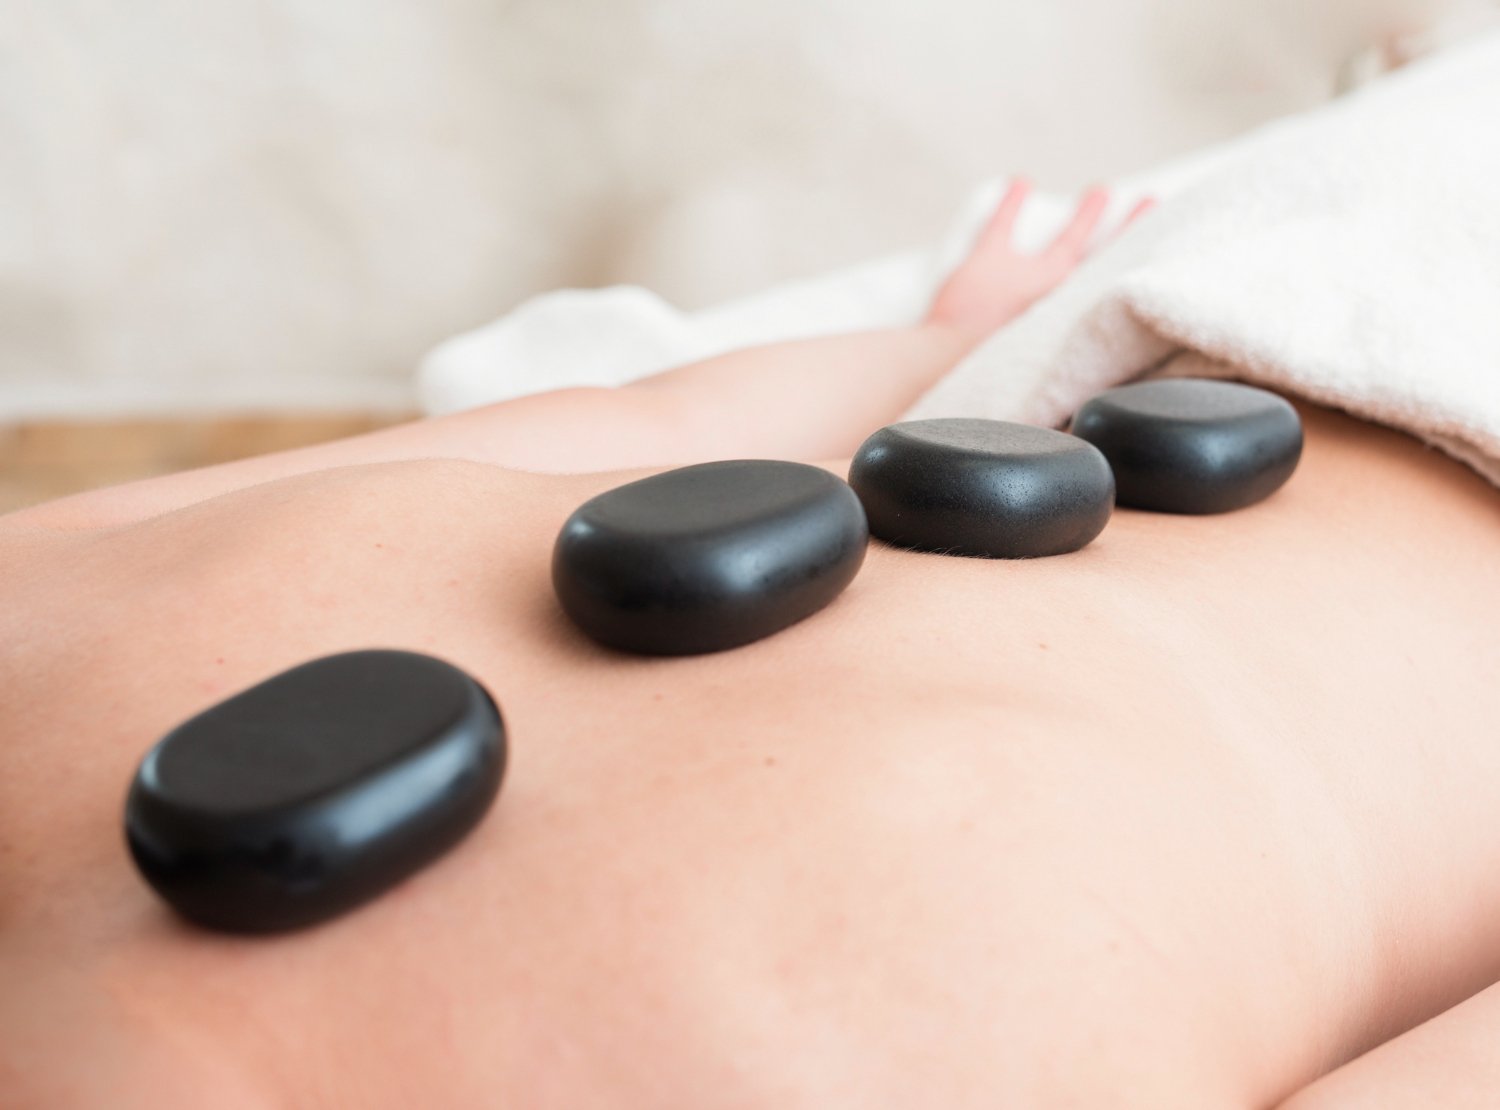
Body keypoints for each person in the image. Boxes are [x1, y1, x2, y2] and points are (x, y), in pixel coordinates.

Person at [1, 182, 1496, 1108]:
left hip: (1225, 304)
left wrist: (959, 346)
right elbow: (656, 422)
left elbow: (653, 424)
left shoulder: (43, 609)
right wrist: (952, 346)